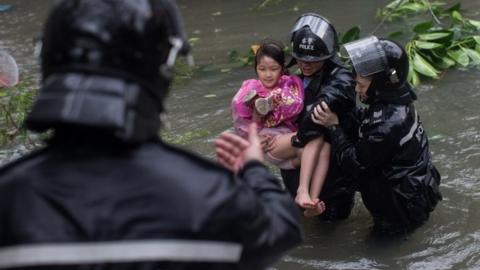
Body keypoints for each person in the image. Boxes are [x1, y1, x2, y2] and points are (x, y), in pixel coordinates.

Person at [0, 1, 302, 269]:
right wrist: (252, 168)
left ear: (49, 62)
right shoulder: (206, 193)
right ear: (162, 71)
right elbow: (281, 229)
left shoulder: (10, 195)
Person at [312, 36, 442, 236]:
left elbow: (353, 163)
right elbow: (367, 120)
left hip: (399, 211)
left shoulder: (388, 125)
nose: (357, 90)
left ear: (382, 84)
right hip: (412, 193)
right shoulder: (396, 103)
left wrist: (334, 126)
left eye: (362, 86)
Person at [270, 13, 358, 220]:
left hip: (333, 178)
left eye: (313, 60)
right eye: (301, 59)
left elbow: (319, 110)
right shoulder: (294, 81)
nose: (306, 64)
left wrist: (296, 141)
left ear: (327, 57)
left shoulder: (342, 79)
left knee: (330, 232)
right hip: (297, 168)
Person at [231, 40, 331, 216]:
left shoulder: (290, 85)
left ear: (283, 68)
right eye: (262, 69)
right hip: (271, 141)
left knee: (325, 147)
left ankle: (312, 203)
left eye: (273, 69)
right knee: (314, 137)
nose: (268, 75)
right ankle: (302, 191)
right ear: (256, 69)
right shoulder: (251, 91)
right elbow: (246, 126)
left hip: (290, 143)